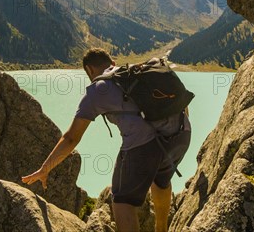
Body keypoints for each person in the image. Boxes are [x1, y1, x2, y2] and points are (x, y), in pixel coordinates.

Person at [22, 48, 191, 232]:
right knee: (160, 181)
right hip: (182, 133)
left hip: (144, 145)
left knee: (122, 201)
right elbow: (180, 100)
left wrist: (44, 169)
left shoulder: (96, 90)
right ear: (112, 63)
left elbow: (71, 138)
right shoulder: (139, 69)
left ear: (89, 69)